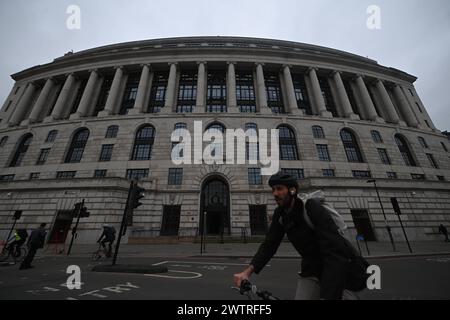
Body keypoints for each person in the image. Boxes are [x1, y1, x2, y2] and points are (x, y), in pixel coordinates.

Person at [233, 172, 369, 300]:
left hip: (342, 271)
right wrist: (247, 272)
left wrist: (328, 295)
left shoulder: (311, 207)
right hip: (312, 270)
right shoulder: (280, 214)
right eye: (273, 189)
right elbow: (269, 245)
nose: (275, 193)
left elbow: (335, 253)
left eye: (279, 189)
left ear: (292, 190)